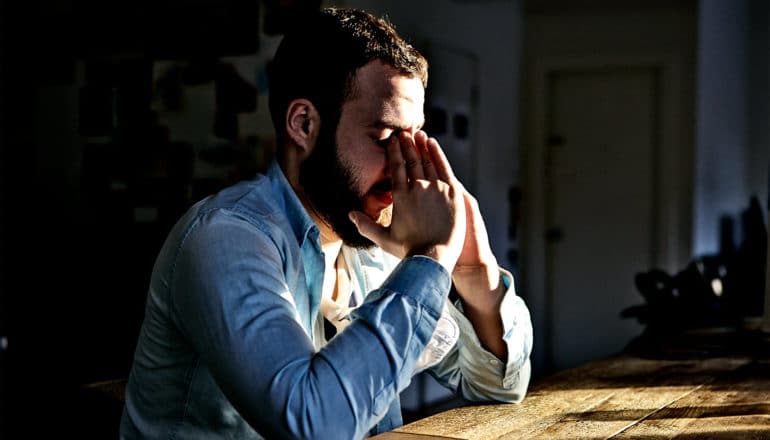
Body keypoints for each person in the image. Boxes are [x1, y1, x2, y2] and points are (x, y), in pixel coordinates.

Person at [120, 7, 532, 439]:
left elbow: (497, 386)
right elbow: (313, 426)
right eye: (385, 137)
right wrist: (429, 260)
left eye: (414, 138)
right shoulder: (224, 239)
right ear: (304, 124)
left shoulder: (375, 248)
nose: (405, 166)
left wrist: (474, 272)